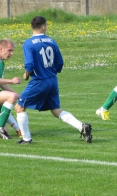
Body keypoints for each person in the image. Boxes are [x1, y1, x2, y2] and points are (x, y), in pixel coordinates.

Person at [14, 16, 92, 144]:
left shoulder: (28, 43)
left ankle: (26, 139)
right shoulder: (51, 40)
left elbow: (29, 64)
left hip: (39, 81)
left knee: (19, 107)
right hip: (52, 80)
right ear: (43, 27)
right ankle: (81, 127)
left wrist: (26, 74)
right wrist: (52, 72)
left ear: (32, 27)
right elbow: (59, 62)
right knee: (56, 111)